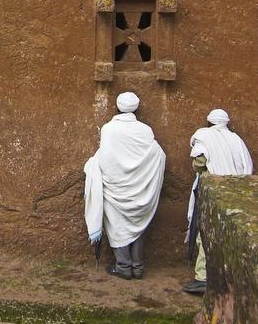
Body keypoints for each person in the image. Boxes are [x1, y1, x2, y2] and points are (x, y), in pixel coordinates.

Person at [84, 91, 166, 279]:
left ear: (117, 106)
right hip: (141, 188)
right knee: (138, 225)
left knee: (117, 226)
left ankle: (123, 266)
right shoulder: (145, 130)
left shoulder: (109, 129)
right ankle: (137, 267)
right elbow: (157, 153)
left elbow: (106, 157)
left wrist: (93, 165)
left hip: (115, 187)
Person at [182, 108, 253, 295]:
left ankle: (203, 278)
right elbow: (247, 165)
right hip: (236, 193)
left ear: (209, 122)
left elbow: (199, 162)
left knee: (205, 234)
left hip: (213, 194)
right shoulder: (236, 140)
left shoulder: (205, 136)